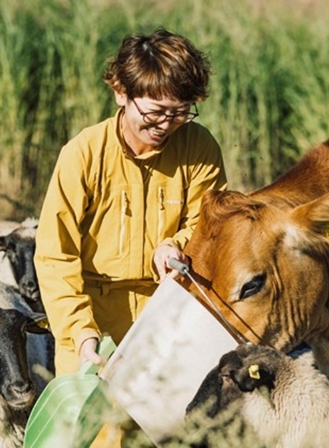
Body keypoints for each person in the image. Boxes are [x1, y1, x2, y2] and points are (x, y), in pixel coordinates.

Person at [35, 29, 229, 374]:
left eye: (181, 112)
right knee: (96, 428)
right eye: (156, 112)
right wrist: (80, 333)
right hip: (91, 321)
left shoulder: (200, 147)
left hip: (170, 315)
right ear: (121, 93)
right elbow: (55, 256)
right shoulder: (83, 154)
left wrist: (176, 245)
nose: (166, 125)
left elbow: (211, 223)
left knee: (174, 427)